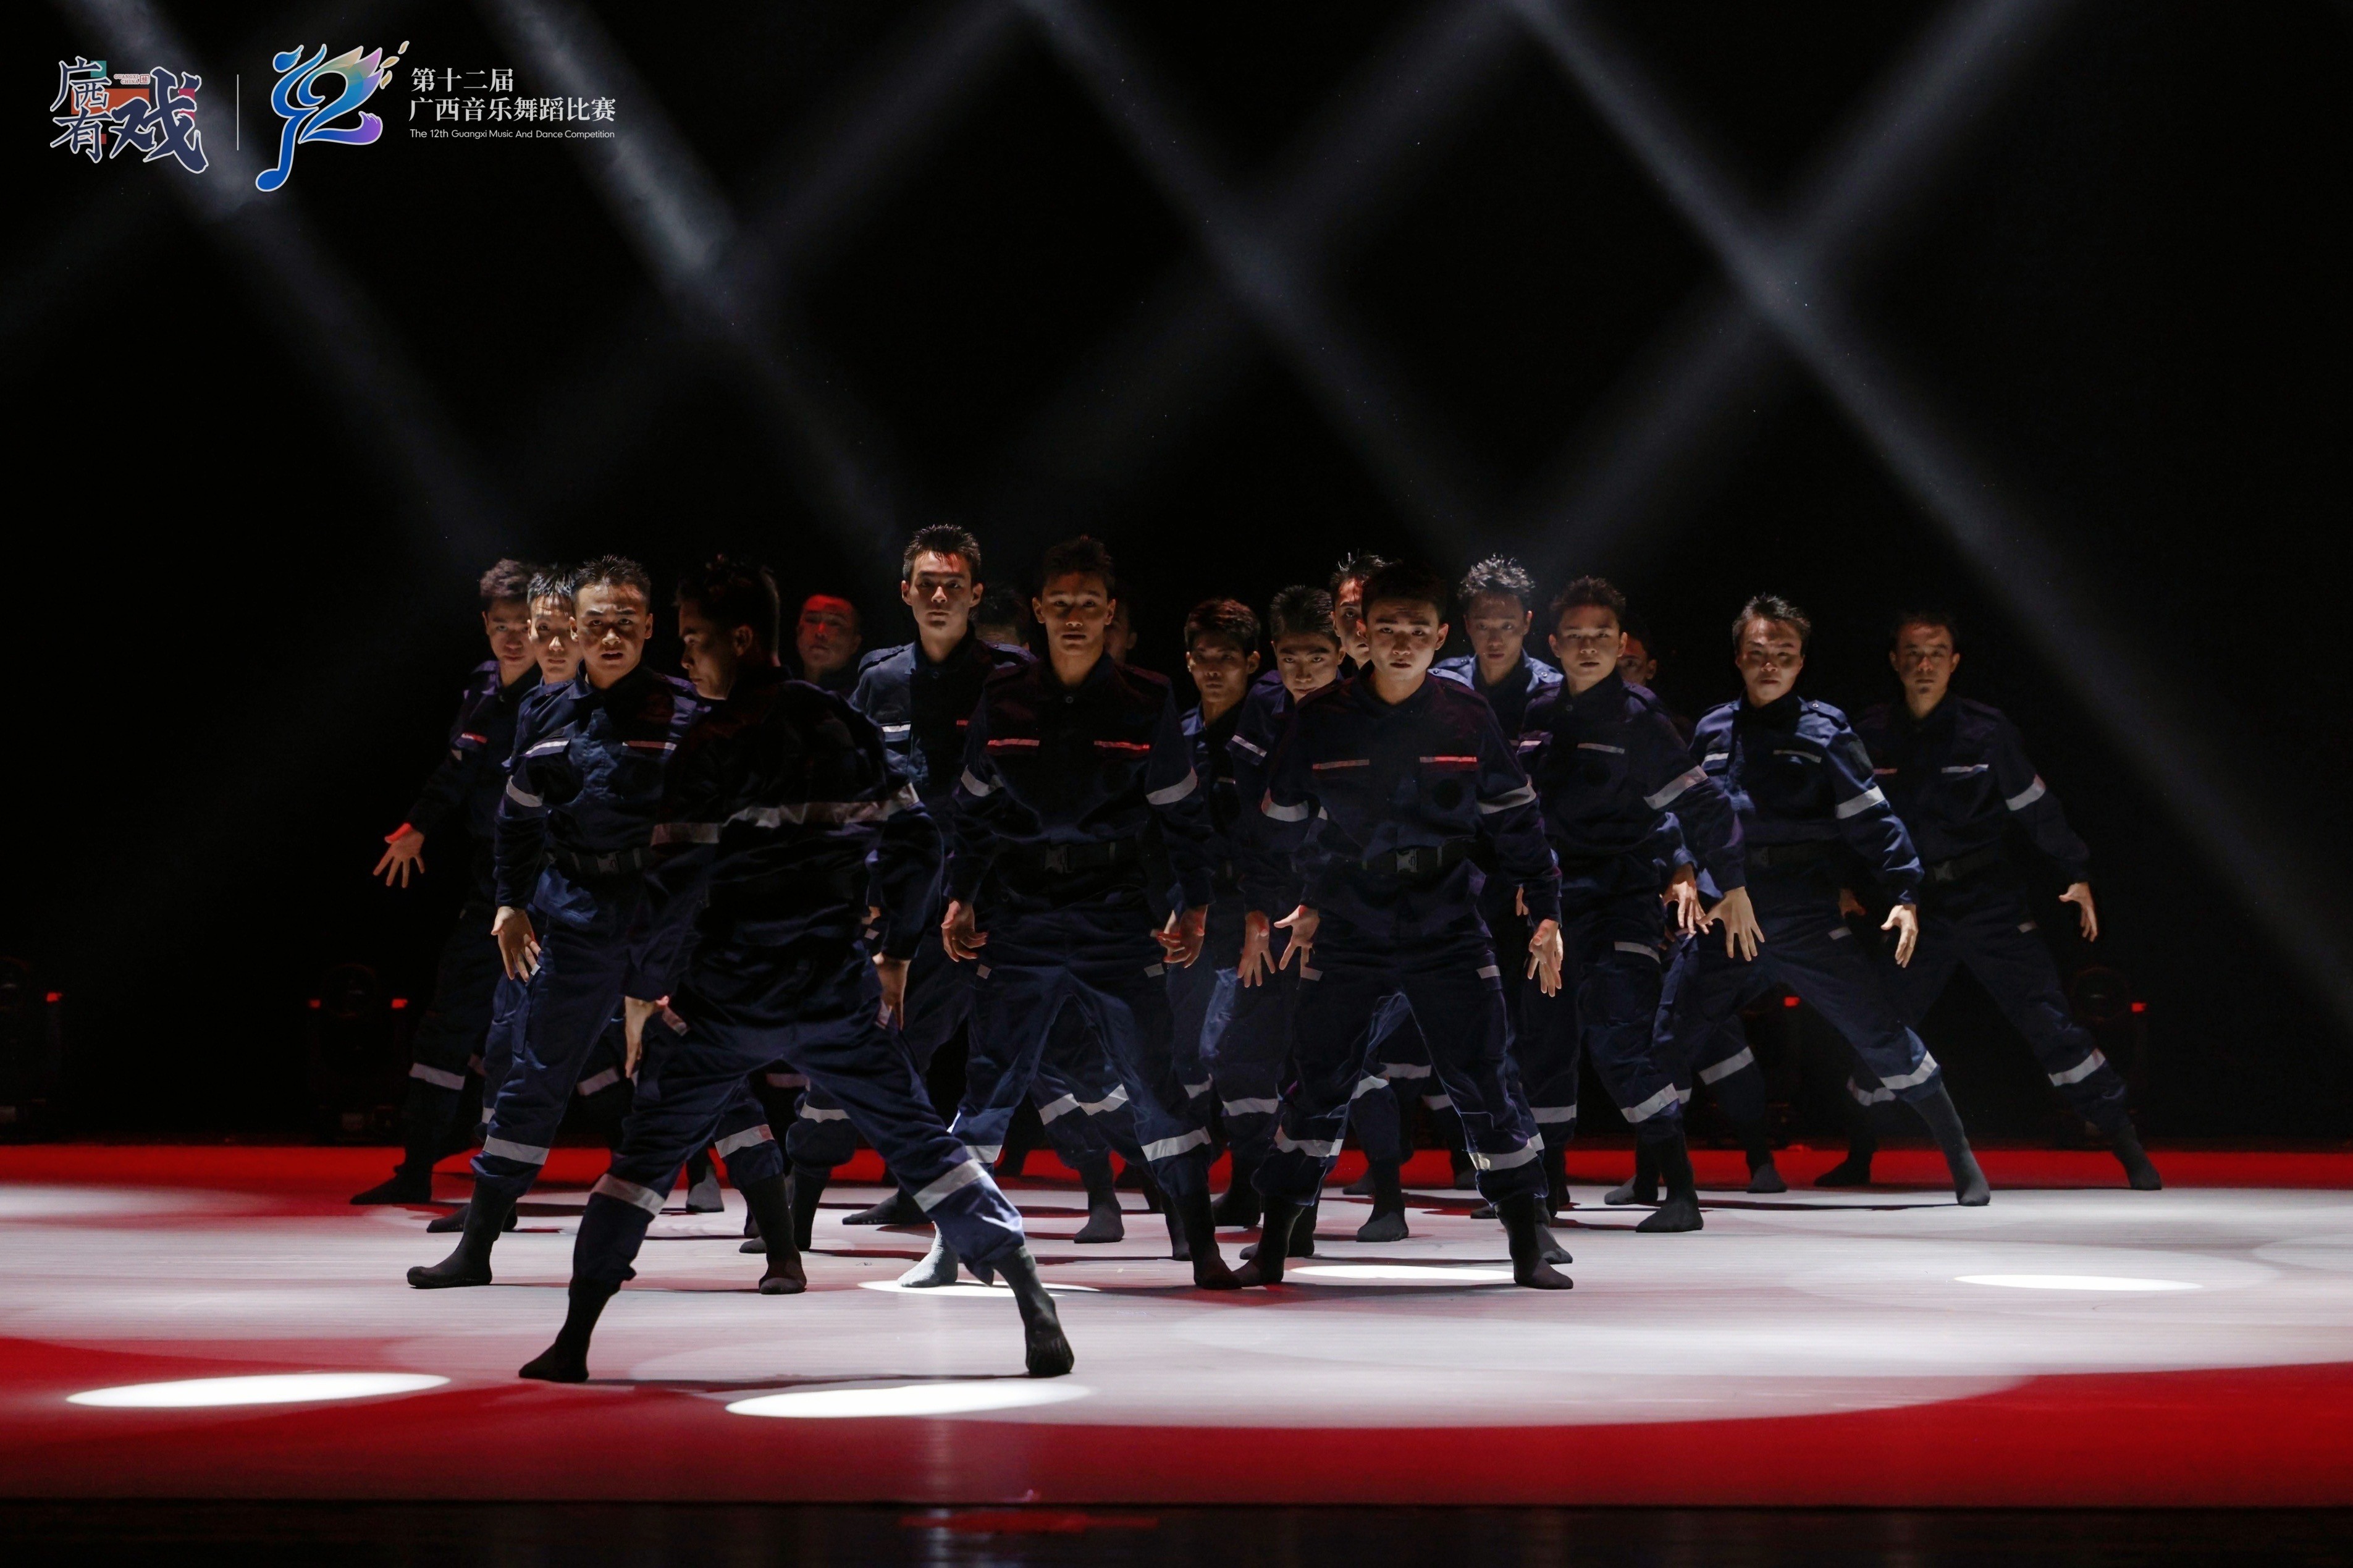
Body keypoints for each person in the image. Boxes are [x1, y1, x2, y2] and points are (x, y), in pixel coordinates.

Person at [515, 639, 1072, 1383]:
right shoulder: (844, 724)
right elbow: (917, 840)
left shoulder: (711, 738)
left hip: (733, 991)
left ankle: (575, 1338)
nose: (688, 656)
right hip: (830, 986)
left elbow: (673, 881)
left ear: (737, 640)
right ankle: (1031, 1298)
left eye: (696, 637)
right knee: (920, 1141)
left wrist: (644, 989)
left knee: (644, 1159)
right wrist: (896, 950)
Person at [408, 557, 787, 1288]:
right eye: (595, 624)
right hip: (577, 918)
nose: (609, 637)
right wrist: (511, 902)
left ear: (647, 628)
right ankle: (476, 1249)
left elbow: (723, 836)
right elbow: (517, 820)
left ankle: (782, 1250)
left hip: (668, 924)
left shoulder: (692, 715)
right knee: (534, 1075)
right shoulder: (543, 713)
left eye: (624, 623)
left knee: (711, 1078)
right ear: (575, 629)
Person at [1243, 560, 1572, 1289]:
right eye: (1387, 628)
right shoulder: (1321, 717)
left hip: (1445, 918)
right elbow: (1278, 827)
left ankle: (1527, 1244)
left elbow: (1517, 820)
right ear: (1361, 630)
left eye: (1416, 631)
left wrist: (1546, 909)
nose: (1400, 643)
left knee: (1483, 1080)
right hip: (1350, 922)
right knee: (1317, 1084)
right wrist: (1270, 906)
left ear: (1439, 636)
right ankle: (1272, 1246)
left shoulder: (1465, 715)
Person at [941, 536, 1243, 1288]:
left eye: (1087, 605)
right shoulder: (1002, 699)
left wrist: (1195, 904)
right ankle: (948, 1250)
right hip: (1021, 913)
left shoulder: (1145, 698)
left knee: (1154, 1084)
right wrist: (960, 894)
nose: (1073, 618)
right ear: (1038, 611)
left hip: (1114, 913)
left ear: (1110, 614)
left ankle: (1201, 1247)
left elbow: (1182, 815)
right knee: (988, 1084)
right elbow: (972, 814)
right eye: (1060, 605)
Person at [840, 527, 1131, 1244]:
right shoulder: (879, 681)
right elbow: (860, 791)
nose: (938, 596)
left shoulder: (1012, 676)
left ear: (974, 594)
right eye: (926, 584)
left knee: (1052, 1053)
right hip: (915, 896)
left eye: (952, 584)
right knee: (904, 1040)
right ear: (905, 592)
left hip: (1002, 893)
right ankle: (917, 1190)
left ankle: (1113, 1192)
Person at [1655, 595, 1991, 1206]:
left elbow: (1873, 819)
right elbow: (1684, 811)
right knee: (1668, 1039)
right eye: (1757, 653)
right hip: (1727, 912)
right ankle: (1648, 1172)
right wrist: (1680, 865)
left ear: (1801, 661)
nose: (1769, 665)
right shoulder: (1711, 729)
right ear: (1738, 657)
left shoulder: (1824, 730)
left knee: (1879, 1033)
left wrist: (1904, 891)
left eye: (1783, 654)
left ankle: (1961, 1159)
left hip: (1803, 914)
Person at [1839, 612, 2160, 1190]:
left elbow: (2034, 807)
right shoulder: (1869, 733)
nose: (1924, 664)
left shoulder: (1985, 731)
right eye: (1912, 652)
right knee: (1881, 1025)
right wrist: (1841, 884)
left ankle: (2125, 1144)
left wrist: (2075, 870)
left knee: (2047, 1019)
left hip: (1986, 899)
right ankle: (1860, 1151)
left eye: (1937, 652)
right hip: (1913, 906)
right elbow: (1847, 819)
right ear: (1894, 661)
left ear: (1954, 662)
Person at [1515, 577, 1757, 1232]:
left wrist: (1731, 885)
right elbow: (1516, 808)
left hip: (1621, 897)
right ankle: (1549, 1189)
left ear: (1620, 643)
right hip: (1552, 903)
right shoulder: (1538, 711)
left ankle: (1680, 1193)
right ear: (1554, 643)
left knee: (1619, 1038)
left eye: (1600, 636)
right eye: (1575, 637)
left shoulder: (1640, 718)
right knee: (1544, 1041)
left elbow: (1703, 804)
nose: (1588, 647)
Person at [354, 560, 541, 1205]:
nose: (513, 637)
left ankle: (678, 1170)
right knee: (448, 1021)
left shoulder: (561, 695)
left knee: (575, 1033)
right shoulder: (483, 687)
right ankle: (416, 1169)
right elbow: (457, 768)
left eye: (524, 624)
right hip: (491, 877)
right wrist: (417, 827)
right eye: (501, 625)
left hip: (549, 881)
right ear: (485, 625)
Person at [1214, 585, 1340, 1231]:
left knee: (1321, 1062)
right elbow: (1249, 818)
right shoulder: (1263, 706)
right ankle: (1246, 1183)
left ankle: (1305, 1212)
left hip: (1339, 909)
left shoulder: (1362, 709)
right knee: (1242, 1053)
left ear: (1341, 651)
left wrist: (1319, 902)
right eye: (1290, 655)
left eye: (1317, 654)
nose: (1302, 668)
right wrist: (1256, 909)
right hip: (1270, 903)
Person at [793, 592, 863, 693]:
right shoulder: (777, 692)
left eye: (835, 623)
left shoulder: (865, 698)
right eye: (812, 620)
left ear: (854, 644)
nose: (820, 632)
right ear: (799, 632)